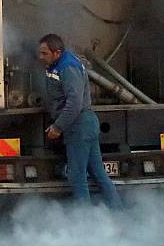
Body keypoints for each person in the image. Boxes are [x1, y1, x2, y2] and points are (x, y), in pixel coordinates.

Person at [39, 33, 122, 208]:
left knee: (77, 176)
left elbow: (74, 103)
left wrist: (57, 127)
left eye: (44, 53)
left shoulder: (67, 68)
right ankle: (118, 213)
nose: (41, 57)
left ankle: (85, 223)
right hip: (85, 124)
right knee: (98, 173)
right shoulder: (59, 64)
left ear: (57, 52)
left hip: (79, 126)